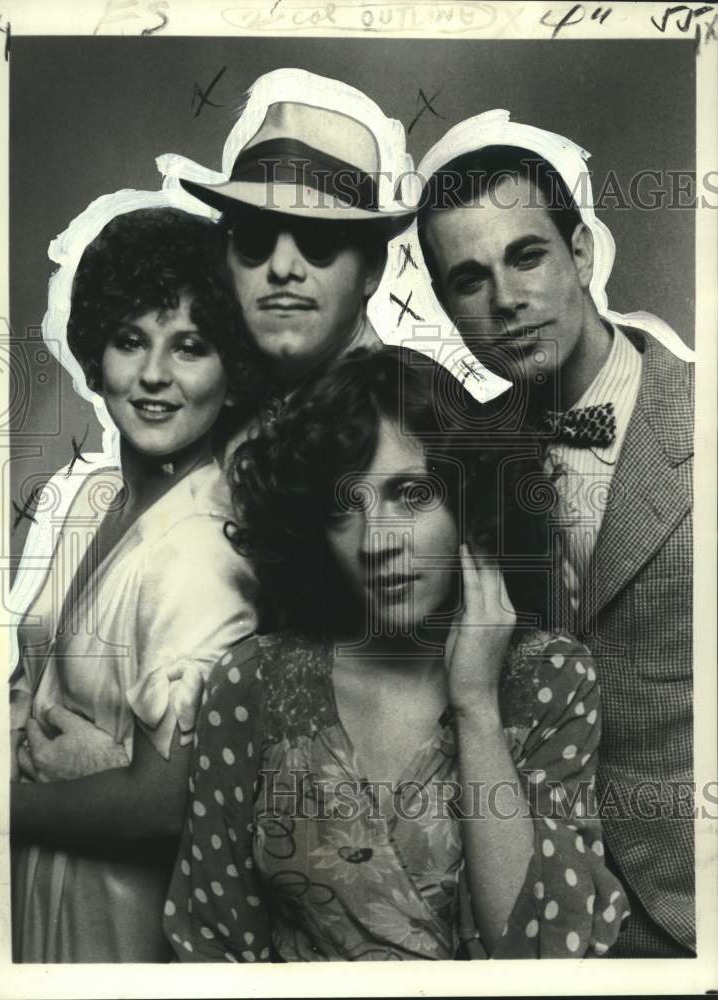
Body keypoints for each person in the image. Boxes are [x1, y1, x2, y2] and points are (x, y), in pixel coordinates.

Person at [163, 346, 628, 961]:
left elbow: (540, 955)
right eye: (343, 507)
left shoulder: (550, 678)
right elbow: (210, 945)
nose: (377, 542)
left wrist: (476, 707)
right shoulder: (252, 681)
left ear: (471, 503)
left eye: (411, 493)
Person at [415, 134, 694, 957]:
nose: (504, 299)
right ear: (442, 302)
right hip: (533, 898)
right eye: (469, 279)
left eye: (526, 256)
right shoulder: (458, 461)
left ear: (579, 251)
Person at [9, 207, 261, 962]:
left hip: (126, 927)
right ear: (95, 353)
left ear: (230, 366)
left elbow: (166, 805)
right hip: (42, 898)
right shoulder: (96, 500)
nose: (153, 376)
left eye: (189, 347)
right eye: (130, 341)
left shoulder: (206, 544)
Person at [167, 68, 416, 395]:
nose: (282, 268)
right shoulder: (214, 405)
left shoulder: (418, 413)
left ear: (371, 267)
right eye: (254, 238)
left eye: (319, 239)